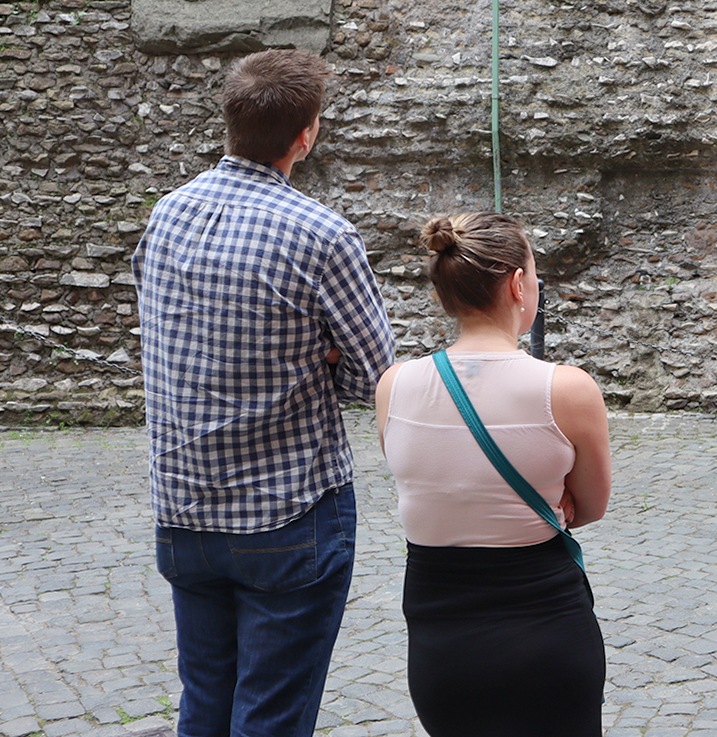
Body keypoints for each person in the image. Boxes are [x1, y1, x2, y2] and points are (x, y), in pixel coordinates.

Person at [133, 49, 395, 737]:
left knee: (205, 705)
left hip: (183, 511)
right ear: (305, 136)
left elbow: (168, 332)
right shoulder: (322, 235)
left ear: (228, 121)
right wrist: (322, 360)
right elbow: (378, 376)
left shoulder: (166, 216)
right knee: (270, 719)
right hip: (287, 518)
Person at [376, 212, 611, 737]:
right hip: (547, 628)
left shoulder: (394, 385)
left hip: (443, 644)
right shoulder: (568, 390)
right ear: (517, 284)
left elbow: (426, 482)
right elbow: (590, 507)